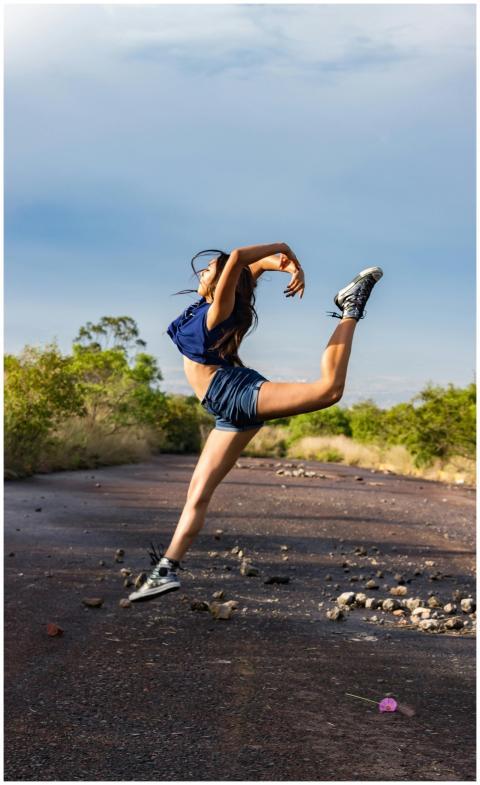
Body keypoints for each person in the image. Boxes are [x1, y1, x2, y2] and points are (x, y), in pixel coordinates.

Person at [128, 242, 383, 601]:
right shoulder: (211, 303)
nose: (201, 273)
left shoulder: (219, 309)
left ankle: (351, 307)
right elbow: (256, 265)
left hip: (233, 392)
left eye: (209, 271)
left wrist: (284, 248)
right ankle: (165, 571)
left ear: (223, 282)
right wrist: (290, 267)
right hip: (224, 409)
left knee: (329, 391)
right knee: (197, 494)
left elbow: (238, 259)